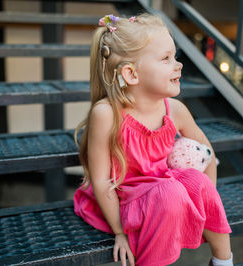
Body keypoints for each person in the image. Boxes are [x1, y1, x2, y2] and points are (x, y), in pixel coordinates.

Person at [73, 13, 233, 266]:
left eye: (175, 57)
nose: (178, 65)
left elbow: (208, 154)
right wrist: (119, 233)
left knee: (196, 181)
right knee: (169, 193)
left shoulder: (175, 110)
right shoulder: (107, 114)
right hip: (124, 202)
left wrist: (202, 204)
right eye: (166, 58)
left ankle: (223, 261)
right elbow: (102, 181)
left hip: (168, 193)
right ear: (131, 74)